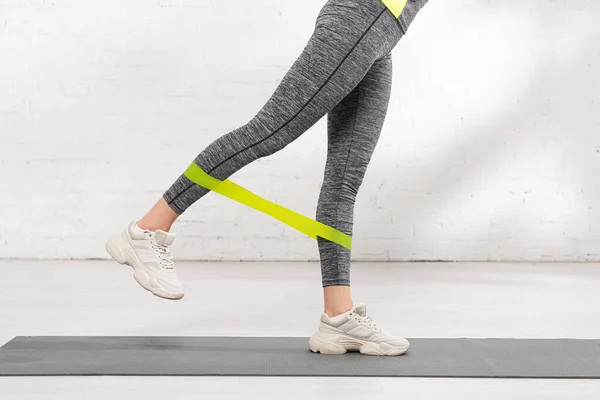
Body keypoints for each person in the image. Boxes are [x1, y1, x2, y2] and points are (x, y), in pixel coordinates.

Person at [106, 0, 429, 356]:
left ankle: (338, 319)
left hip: (386, 31)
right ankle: (146, 231)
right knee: (267, 132)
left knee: (344, 180)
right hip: (362, 15)